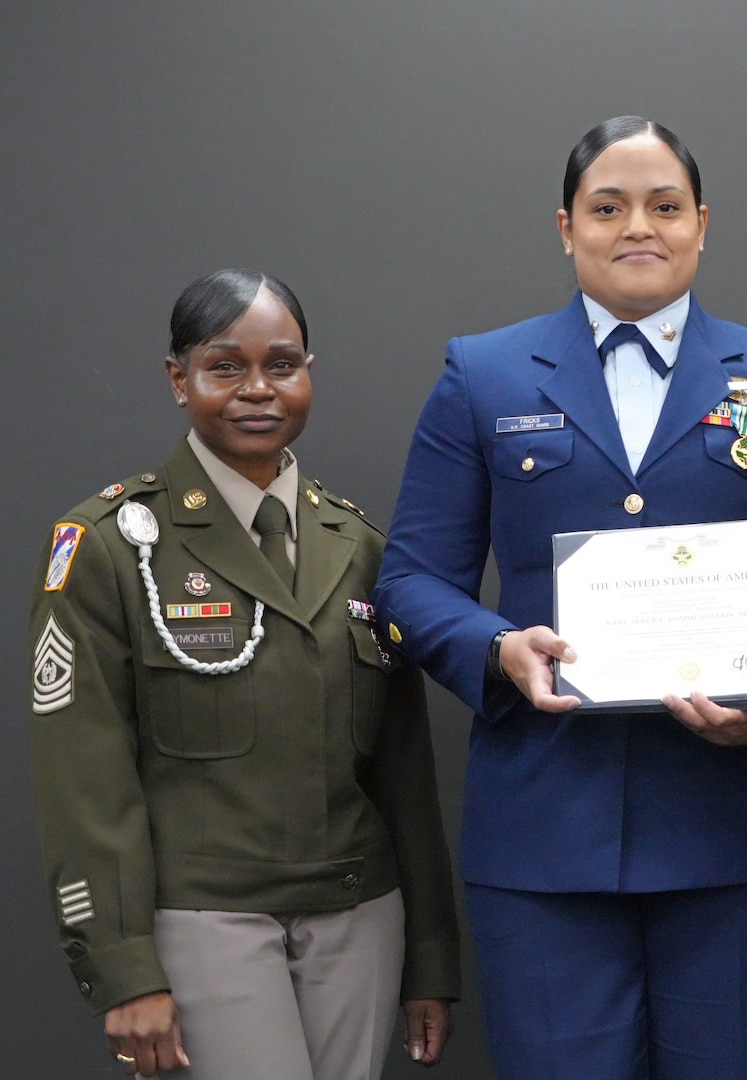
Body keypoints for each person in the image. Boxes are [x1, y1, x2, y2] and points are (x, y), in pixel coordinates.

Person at [373, 116, 747, 1079]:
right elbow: (408, 582)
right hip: (544, 836)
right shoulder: (481, 374)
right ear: (566, 228)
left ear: (702, 225)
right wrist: (496, 649)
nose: (637, 227)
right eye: (608, 208)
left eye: (664, 206)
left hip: (738, 830)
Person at [29, 269, 460, 1079]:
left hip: (359, 913)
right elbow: (85, 782)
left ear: (308, 373)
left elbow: (405, 773)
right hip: (203, 917)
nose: (258, 389)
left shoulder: (360, 548)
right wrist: (123, 965)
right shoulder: (111, 546)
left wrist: (430, 956)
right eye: (225, 366)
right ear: (178, 378)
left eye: (282, 365)